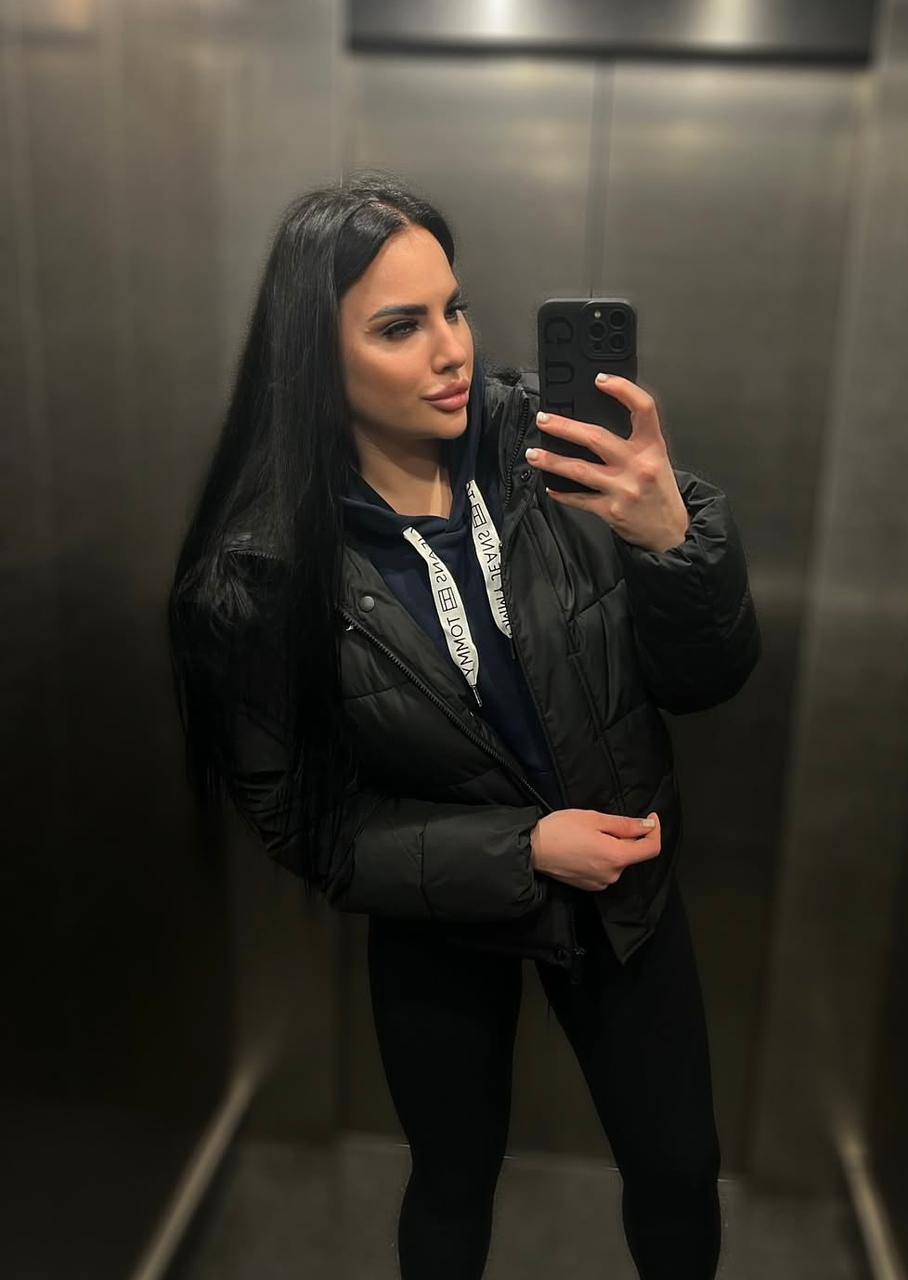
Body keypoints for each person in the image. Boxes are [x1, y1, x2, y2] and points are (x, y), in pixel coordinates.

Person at [168, 170, 761, 1280]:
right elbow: (309, 826)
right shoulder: (262, 575)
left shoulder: (554, 451)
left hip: (626, 890)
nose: (451, 351)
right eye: (400, 326)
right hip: (444, 916)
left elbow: (709, 678)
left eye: (455, 307)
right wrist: (523, 849)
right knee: (450, 1182)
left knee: (680, 1170)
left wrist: (672, 543)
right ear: (315, 357)